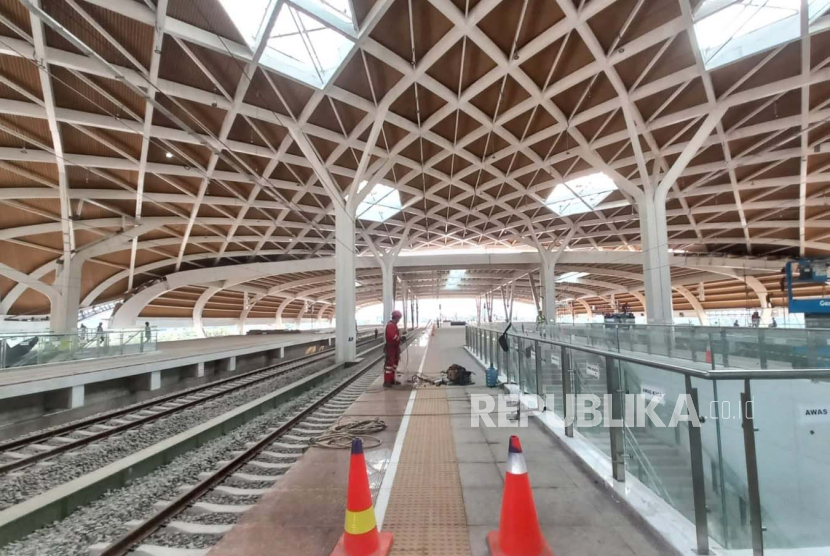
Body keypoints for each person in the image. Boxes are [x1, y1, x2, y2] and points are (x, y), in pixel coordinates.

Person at [384, 310, 402, 387]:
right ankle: (387, 382)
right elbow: (392, 336)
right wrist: (399, 339)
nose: (399, 320)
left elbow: (395, 336)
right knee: (389, 365)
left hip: (395, 347)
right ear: (396, 317)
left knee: (394, 364)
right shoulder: (390, 325)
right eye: (399, 318)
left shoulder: (394, 325)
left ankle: (392, 379)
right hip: (391, 347)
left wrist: (400, 339)